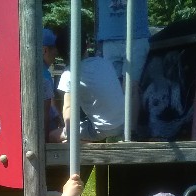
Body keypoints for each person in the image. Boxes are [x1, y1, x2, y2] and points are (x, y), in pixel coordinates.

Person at [56, 27, 124, 142]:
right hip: (123, 124)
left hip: (103, 130)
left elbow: (68, 108)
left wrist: (70, 138)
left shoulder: (69, 74)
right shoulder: (104, 62)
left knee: (54, 135)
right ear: (87, 44)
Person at [95, 0, 150, 136]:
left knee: (130, 86)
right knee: (112, 89)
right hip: (109, 38)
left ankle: (130, 134)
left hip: (135, 36)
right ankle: (115, 132)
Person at [42, 28, 64, 142]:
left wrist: (57, 116)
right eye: (55, 48)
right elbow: (44, 113)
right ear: (45, 50)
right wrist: (45, 142)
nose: (56, 53)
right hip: (43, 132)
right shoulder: (44, 76)